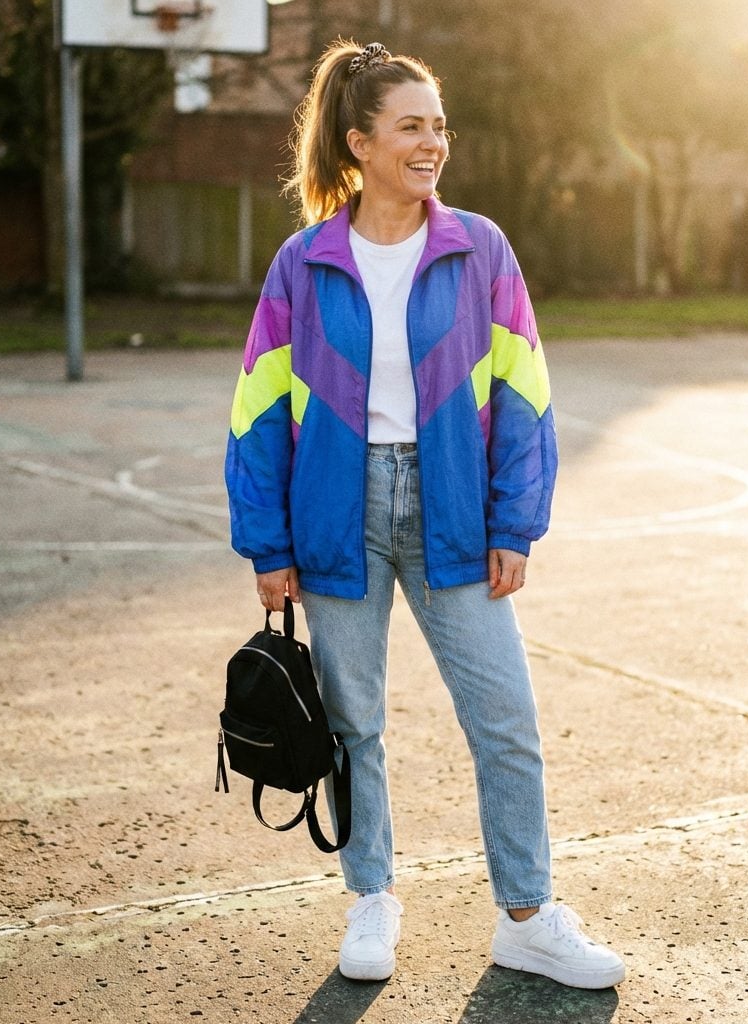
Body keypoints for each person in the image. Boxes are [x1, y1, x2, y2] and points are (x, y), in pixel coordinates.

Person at [224, 38, 625, 990]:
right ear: (360, 142)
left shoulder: (478, 247)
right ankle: (371, 898)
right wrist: (266, 542)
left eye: (439, 126)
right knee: (355, 722)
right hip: (337, 512)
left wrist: (512, 520)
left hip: (451, 508)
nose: (432, 143)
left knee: (505, 720)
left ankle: (526, 917)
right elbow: (257, 406)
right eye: (411, 127)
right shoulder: (304, 261)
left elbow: (525, 388)